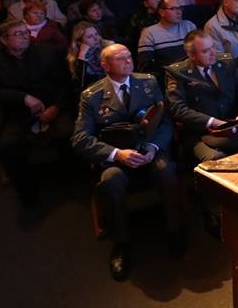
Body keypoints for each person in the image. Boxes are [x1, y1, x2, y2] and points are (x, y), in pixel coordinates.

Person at [72, 44, 183, 282]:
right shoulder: (92, 96)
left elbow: (164, 122)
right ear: (105, 66)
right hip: (117, 155)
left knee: (167, 171)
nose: (127, 61)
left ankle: (174, 229)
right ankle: (120, 243)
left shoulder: (148, 82)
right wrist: (116, 154)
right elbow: (80, 139)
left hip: (148, 148)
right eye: (120, 59)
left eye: (129, 57)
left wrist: (153, 147)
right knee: (110, 182)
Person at [0, 19, 73, 208]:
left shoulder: (46, 52)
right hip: (20, 112)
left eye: (25, 32)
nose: (25, 37)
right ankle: (27, 191)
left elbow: (64, 83)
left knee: (69, 132)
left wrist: (56, 106)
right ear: (4, 40)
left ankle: (68, 176)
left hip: (52, 106)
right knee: (6, 146)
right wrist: (23, 98)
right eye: (18, 34)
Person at [164, 30, 238, 161]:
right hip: (199, 132)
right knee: (218, 160)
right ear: (191, 55)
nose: (213, 53)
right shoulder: (178, 73)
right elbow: (178, 109)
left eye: (213, 47)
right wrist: (212, 122)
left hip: (232, 126)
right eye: (205, 51)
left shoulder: (227, 63)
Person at [137, 0, 197, 73]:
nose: (179, 12)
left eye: (179, 8)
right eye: (173, 9)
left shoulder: (189, 26)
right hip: (166, 75)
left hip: (192, 73)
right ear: (162, 12)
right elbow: (145, 65)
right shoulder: (149, 33)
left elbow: (199, 52)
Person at [68, 22, 112, 92]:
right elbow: (79, 85)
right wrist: (82, 55)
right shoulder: (75, 58)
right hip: (91, 92)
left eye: (96, 34)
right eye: (90, 37)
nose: (96, 39)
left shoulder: (109, 49)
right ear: (79, 42)